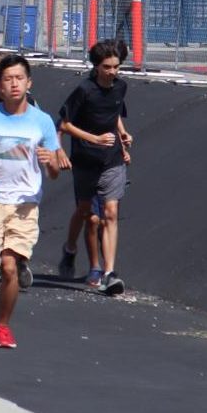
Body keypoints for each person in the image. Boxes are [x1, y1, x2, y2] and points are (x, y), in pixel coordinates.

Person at [0, 55, 62, 349]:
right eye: (8, 79)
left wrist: (51, 162)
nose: (14, 84)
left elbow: (54, 171)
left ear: (29, 83)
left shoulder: (42, 121)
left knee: (8, 267)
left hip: (25, 204)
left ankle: (2, 327)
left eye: (19, 78)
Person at [56, 40, 132, 296]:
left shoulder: (121, 87)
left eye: (116, 66)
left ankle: (108, 272)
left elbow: (115, 114)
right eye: (107, 67)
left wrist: (122, 137)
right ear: (96, 67)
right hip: (86, 159)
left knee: (110, 213)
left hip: (111, 160)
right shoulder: (84, 90)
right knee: (88, 213)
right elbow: (65, 124)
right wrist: (91, 140)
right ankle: (70, 248)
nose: (112, 72)